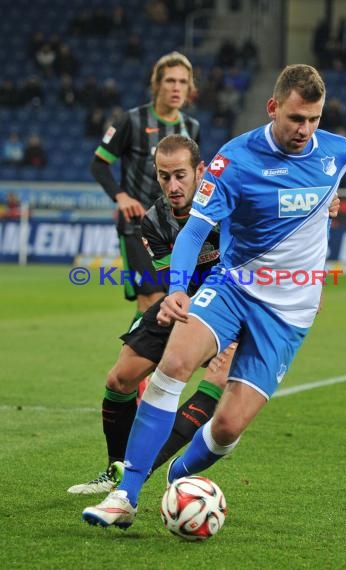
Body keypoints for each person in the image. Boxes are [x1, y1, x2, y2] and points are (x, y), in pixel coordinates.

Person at [82, 64, 346, 529]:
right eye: (295, 119)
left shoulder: (337, 152)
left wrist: (320, 255)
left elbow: (318, 211)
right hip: (232, 287)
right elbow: (194, 233)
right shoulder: (235, 160)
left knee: (226, 428)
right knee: (174, 364)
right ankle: (125, 495)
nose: (305, 130)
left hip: (289, 312)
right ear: (273, 108)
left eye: (313, 119)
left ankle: (180, 478)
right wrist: (177, 291)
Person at [69, 134, 234, 495]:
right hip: (182, 300)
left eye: (180, 175)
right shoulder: (155, 221)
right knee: (119, 379)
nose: (172, 186)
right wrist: (173, 306)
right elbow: (177, 278)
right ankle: (116, 469)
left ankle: (137, 476)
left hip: (231, 307)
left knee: (218, 379)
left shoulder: (229, 204)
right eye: (164, 177)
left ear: (200, 171)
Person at [90, 51, 200, 329]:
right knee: (151, 299)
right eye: (170, 81)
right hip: (137, 227)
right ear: (157, 85)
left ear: (190, 88)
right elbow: (99, 164)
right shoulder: (131, 120)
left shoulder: (192, 127)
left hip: (176, 228)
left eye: (183, 82)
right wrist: (121, 196)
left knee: (172, 300)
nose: (176, 88)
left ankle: (149, 367)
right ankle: (134, 372)